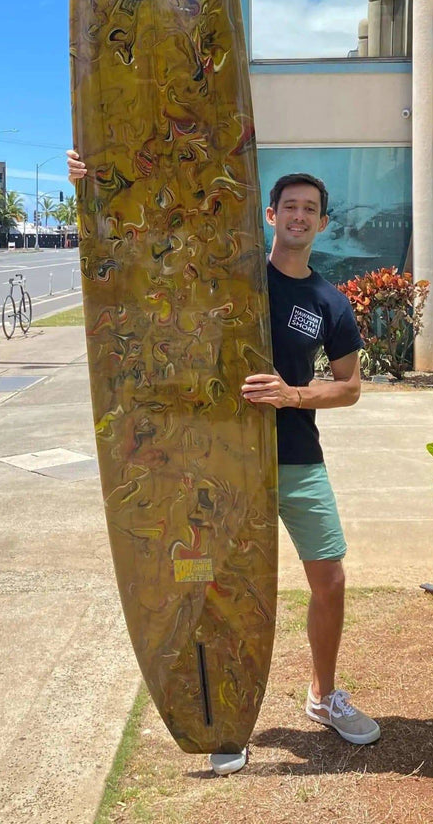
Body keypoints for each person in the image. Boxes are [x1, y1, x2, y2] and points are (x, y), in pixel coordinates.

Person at [67, 151, 379, 775]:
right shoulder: (225, 278)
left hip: (294, 457)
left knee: (330, 579)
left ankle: (323, 695)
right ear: (269, 215)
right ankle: (225, 717)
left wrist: (293, 395)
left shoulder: (327, 302)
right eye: (288, 206)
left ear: (322, 224)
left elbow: (348, 387)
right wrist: (92, 187)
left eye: (309, 210)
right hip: (218, 462)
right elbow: (144, 245)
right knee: (216, 586)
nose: (298, 216)